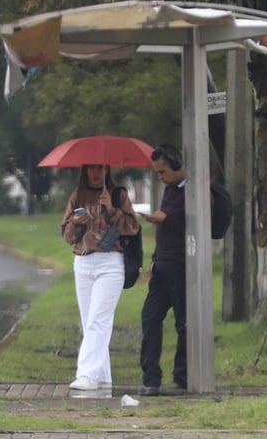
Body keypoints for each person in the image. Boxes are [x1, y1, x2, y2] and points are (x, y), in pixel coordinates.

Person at [60, 164, 140, 391]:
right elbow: (67, 236)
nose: (95, 173)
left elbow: (132, 227)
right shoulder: (77, 197)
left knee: (98, 319)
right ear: (84, 171)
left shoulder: (118, 195)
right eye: (91, 169)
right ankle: (103, 376)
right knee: (89, 322)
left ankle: (86, 374)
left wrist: (112, 210)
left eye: (100, 168)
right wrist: (76, 223)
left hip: (111, 262)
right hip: (83, 262)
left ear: (107, 171)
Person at [137, 144, 188, 395]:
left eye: (163, 171)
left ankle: (183, 375)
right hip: (162, 264)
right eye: (156, 172)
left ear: (177, 166)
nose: (160, 177)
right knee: (149, 317)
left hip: (182, 264)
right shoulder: (169, 190)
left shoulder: (195, 191)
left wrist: (165, 218)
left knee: (183, 322)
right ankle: (151, 378)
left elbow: (185, 219)